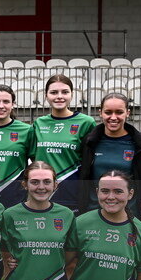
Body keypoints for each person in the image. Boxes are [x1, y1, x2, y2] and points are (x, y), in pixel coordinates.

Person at [79, 92, 141, 216]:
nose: (113, 117)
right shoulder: (89, 142)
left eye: (119, 112)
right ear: (100, 112)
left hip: (129, 214)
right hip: (93, 213)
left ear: (127, 113)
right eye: (108, 112)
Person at [30, 74, 97, 211]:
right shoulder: (39, 123)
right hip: (42, 193)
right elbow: (33, 156)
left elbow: (90, 159)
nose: (59, 96)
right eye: (54, 92)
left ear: (72, 94)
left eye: (65, 92)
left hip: (71, 192)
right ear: (46, 95)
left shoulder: (86, 122)